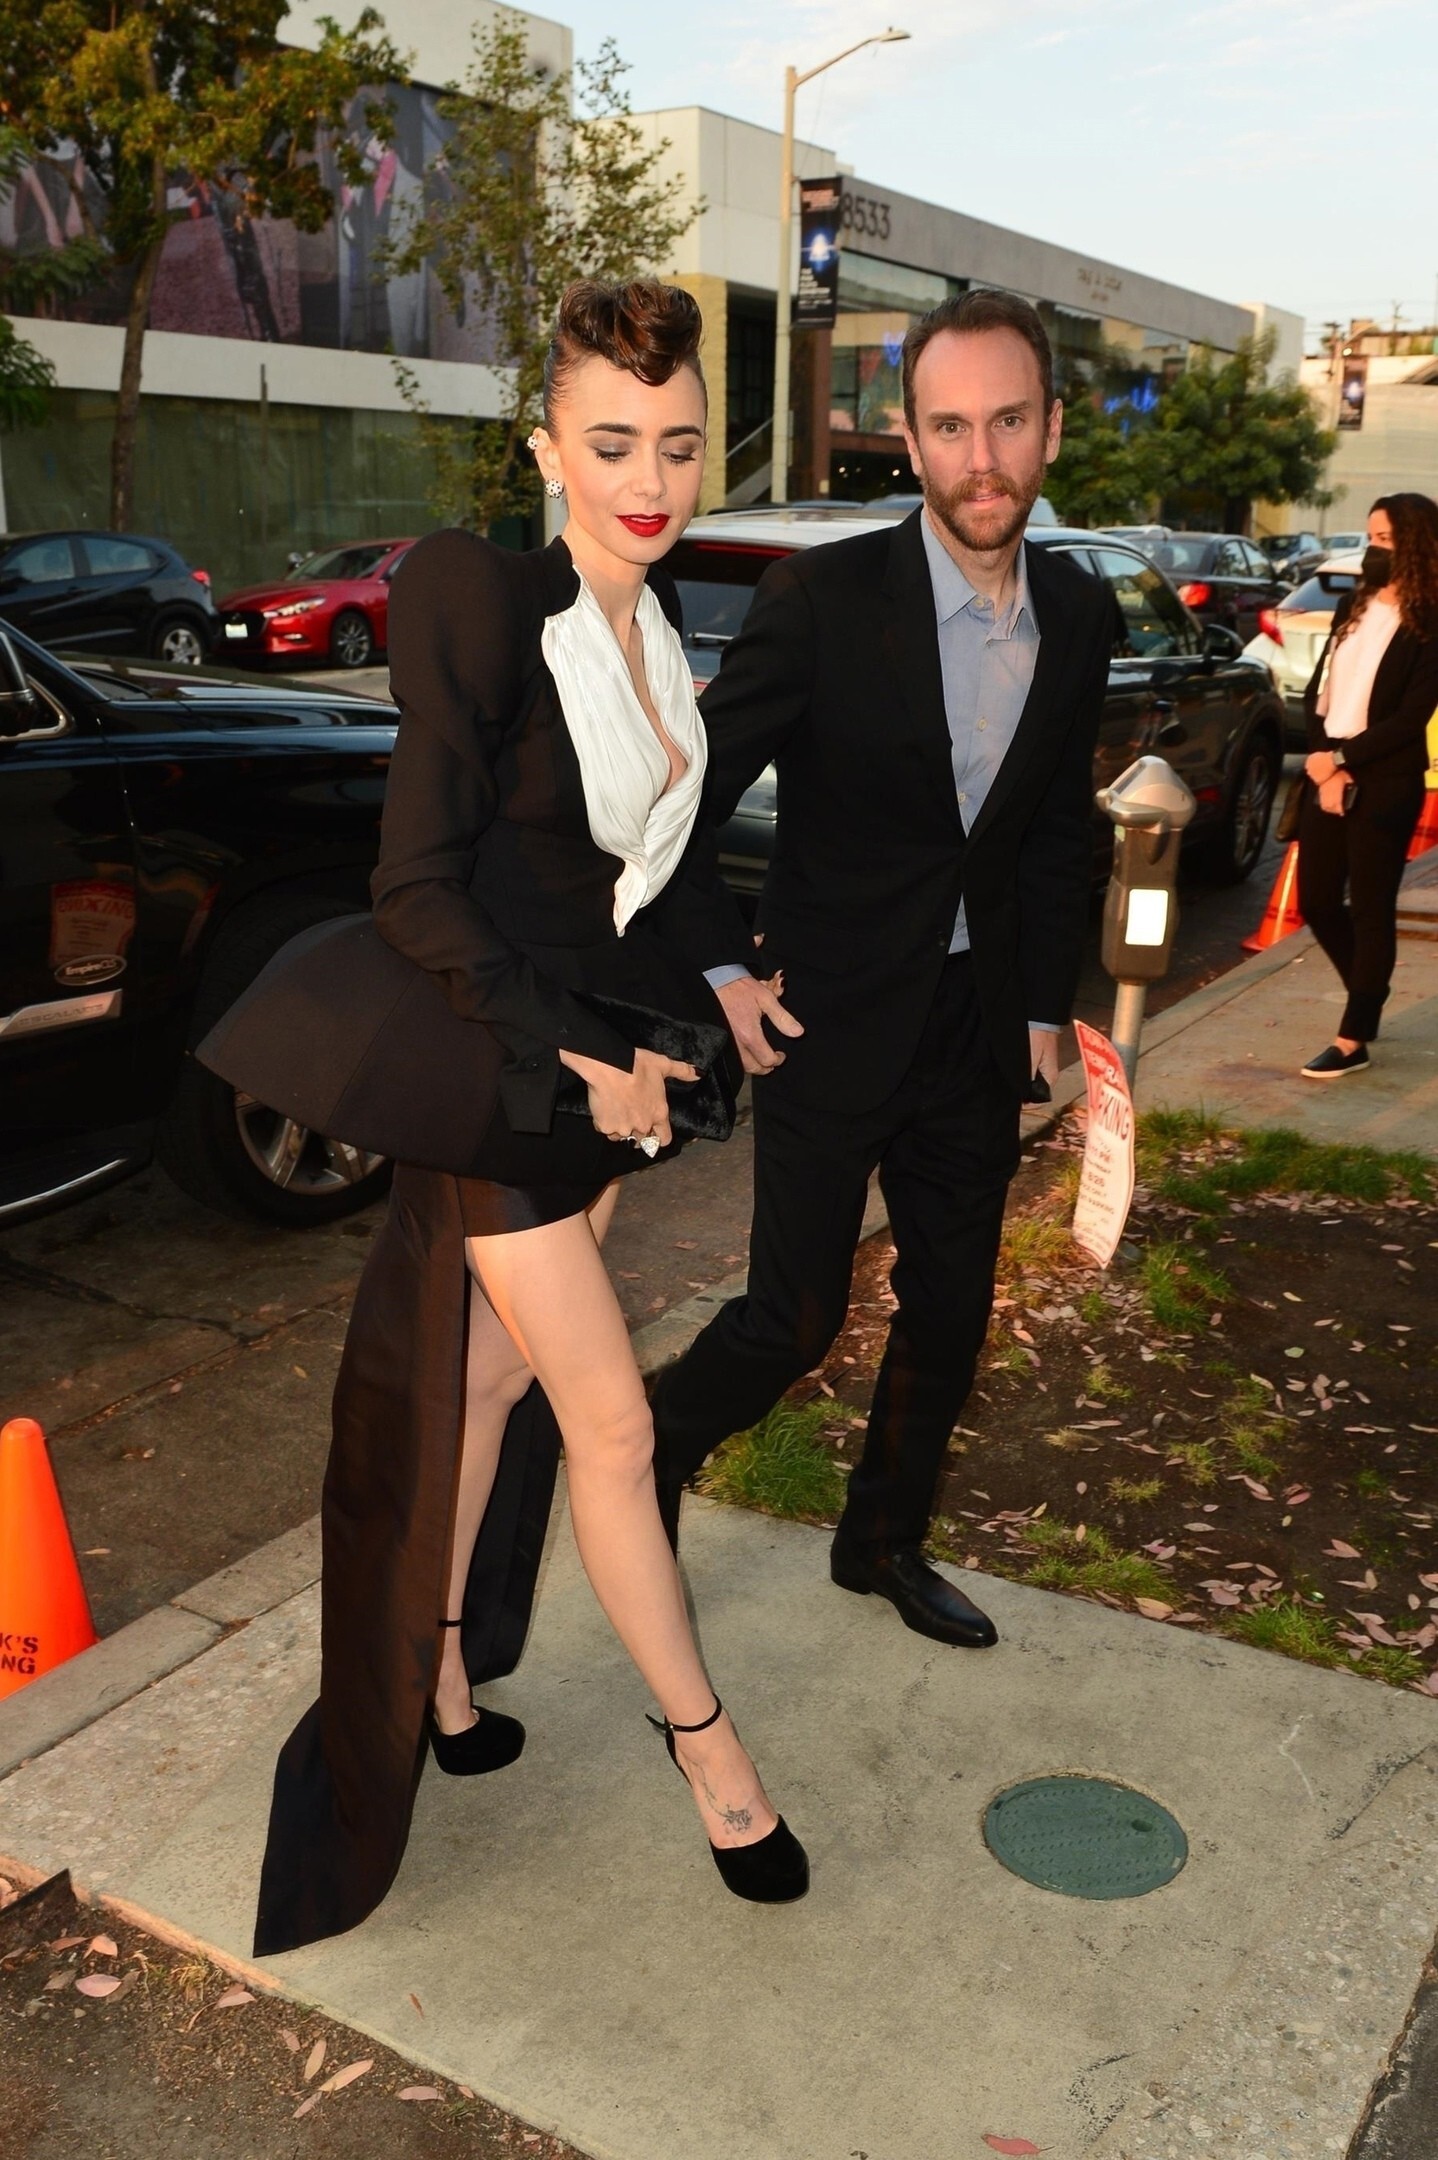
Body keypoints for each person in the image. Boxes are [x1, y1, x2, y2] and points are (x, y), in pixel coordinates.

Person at [201, 280, 808, 1955]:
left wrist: (724, 981)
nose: (648, 477)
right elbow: (417, 888)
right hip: (501, 1076)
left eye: (676, 443)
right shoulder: (486, 599)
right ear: (545, 449)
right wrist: (583, 1059)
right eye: (611, 442)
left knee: (479, 1384)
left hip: (589, 1084)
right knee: (608, 1431)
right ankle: (710, 1755)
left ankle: (447, 1673)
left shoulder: (661, 637)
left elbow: (650, 871)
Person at [651, 290, 1111, 1647]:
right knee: (792, 1321)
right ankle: (641, 1456)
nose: (982, 458)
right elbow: (679, 808)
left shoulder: (1076, 612)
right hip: (829, 1018)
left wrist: (1043, 1007)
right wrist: (721, 972)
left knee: (952, 1309)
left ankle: (882, 1540)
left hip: (974, 1027)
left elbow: (1056, 830)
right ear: (906, 441)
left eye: (1007, 423)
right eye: (950, 427)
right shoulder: (820, 601)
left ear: (1050, 430)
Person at [1297, 492, 1438, 1078]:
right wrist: (1322, 759)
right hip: (1327, 768)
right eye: (1370, 537)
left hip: (1385, 781)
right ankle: (1369, 990)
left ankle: (1353, 1037)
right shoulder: (1352, 604)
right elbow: (1319, 690)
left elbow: (1410, 718)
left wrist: (1343, 761)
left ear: (1415, 545)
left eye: (1384, 540)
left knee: (1371, 909)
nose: (1372, 549)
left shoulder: (1429, 621)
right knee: (1316, 901)